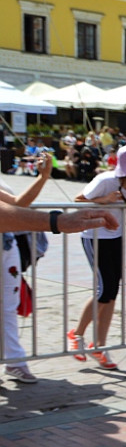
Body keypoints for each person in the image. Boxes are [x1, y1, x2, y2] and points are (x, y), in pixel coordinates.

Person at [68, 144, 126, 370]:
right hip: (94, 236)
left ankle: (99, 345)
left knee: (112, 291)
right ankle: (76, 334)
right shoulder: (106, 181)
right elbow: (77, 200)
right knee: (103, 289)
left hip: (115, 238)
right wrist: (103, 200)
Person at [1, 157, 53, 384]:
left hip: (6, 247)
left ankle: (15, 361)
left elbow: (17, 204)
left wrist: (43, 177)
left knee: (8, 306)